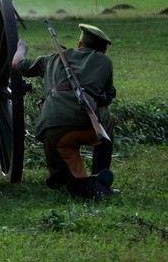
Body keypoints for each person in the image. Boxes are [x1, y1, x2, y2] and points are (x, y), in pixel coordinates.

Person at [11, 24, 116, 200]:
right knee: (109, 119)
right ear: (103, 49)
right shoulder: (104, 62)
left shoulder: (52, 58)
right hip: (88, 126)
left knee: (69, 183)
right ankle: (99, 178)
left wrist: (21, 47)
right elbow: (106, 99)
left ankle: (76, 182)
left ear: (79, 43)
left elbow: (17, 64)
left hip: (53, 131)